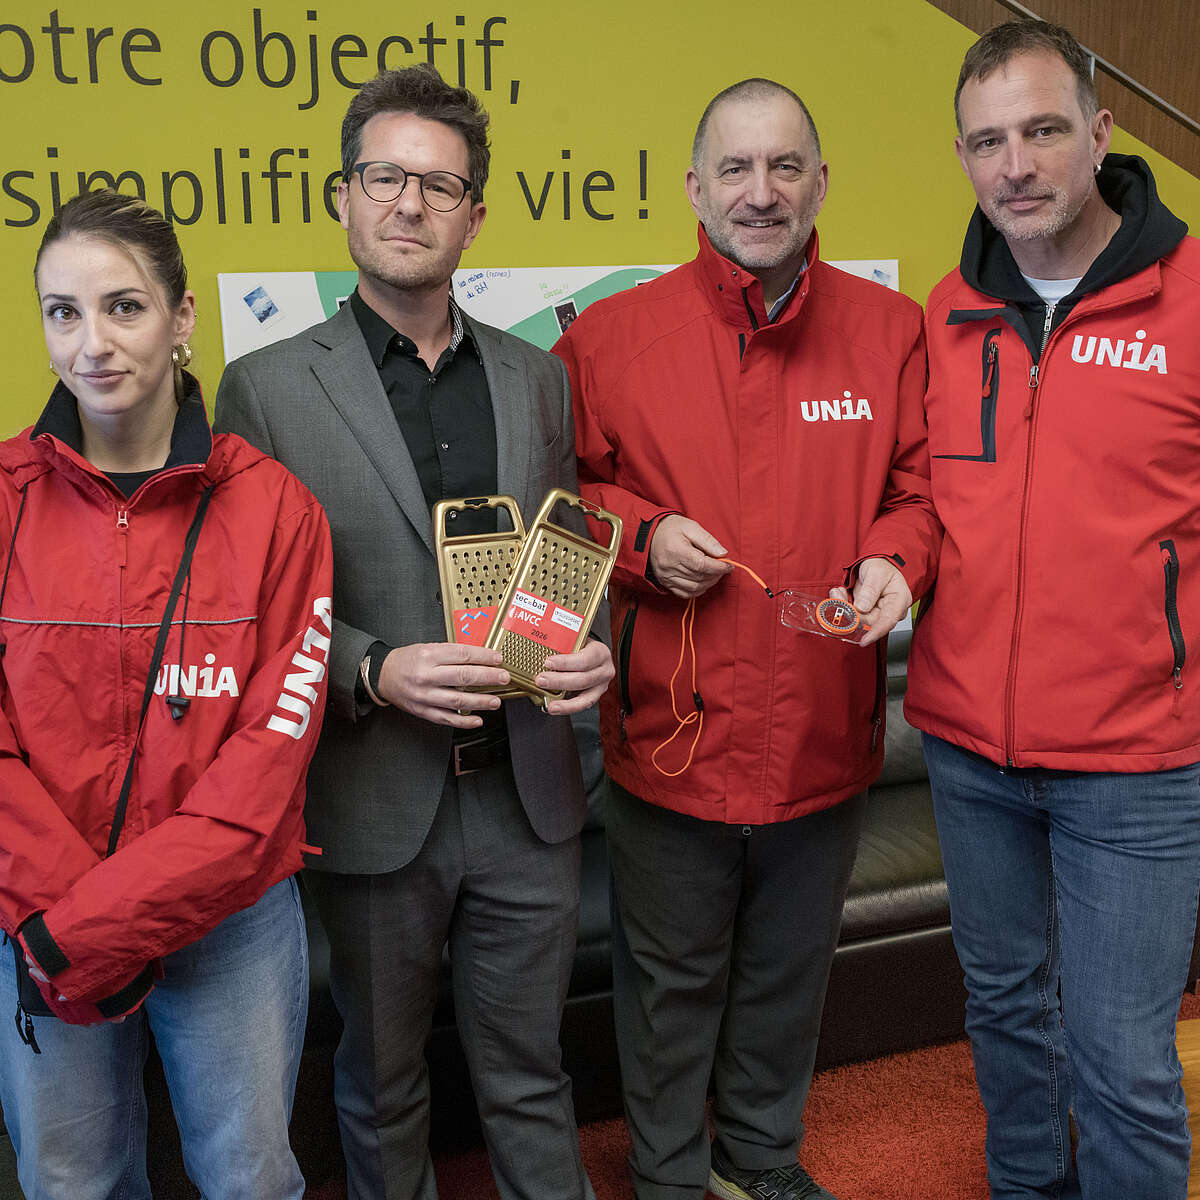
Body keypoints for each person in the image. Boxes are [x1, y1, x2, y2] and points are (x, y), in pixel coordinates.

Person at [214, 64, 612, 1200]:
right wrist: (374, 668)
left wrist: (588, 645)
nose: (409, 203)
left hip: (529, 796)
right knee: (383, 1085)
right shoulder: (264, 389)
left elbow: (562, 557)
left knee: (531, 1073)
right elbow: (247, 610)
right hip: (372, 798)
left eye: (440, 184)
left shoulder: (538, 380)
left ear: (474, 215)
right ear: (343, 196)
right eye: (385, 177)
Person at [554, 78, 940, 1200]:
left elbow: (918, 493)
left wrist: (896, 558)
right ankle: (670, 1178)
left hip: (824, 732)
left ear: (821, 183)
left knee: (786, 980)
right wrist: (642, 538)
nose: (760, 191)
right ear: (695, 187)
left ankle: (760, 1161)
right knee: (667, 993)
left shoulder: (891, 333)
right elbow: (563, 500)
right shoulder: (609, 339)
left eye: (784, 167)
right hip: (672, 741)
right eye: (735, 167)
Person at [905, 19, 1200, 1199]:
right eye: (987, 141)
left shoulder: (1192, 301)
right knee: (1004, 1014)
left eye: (1041, 131)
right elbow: (922, 503)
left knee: (1123, 1058)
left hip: (1136, 763)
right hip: (968, 751)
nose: (1015, 166)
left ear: (1102, 131)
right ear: (963, 157)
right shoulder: (946, 311)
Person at [0, 188, 333, 1200]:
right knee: (69, 1182)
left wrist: (95, 925)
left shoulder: (278, 510)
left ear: (182, 316)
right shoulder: (3, 499)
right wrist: (65, 926)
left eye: (124, 306)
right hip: (36, 915)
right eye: (63, 312)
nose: (91, 343)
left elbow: (266, 769)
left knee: (249, 1177)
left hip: (227, 921)